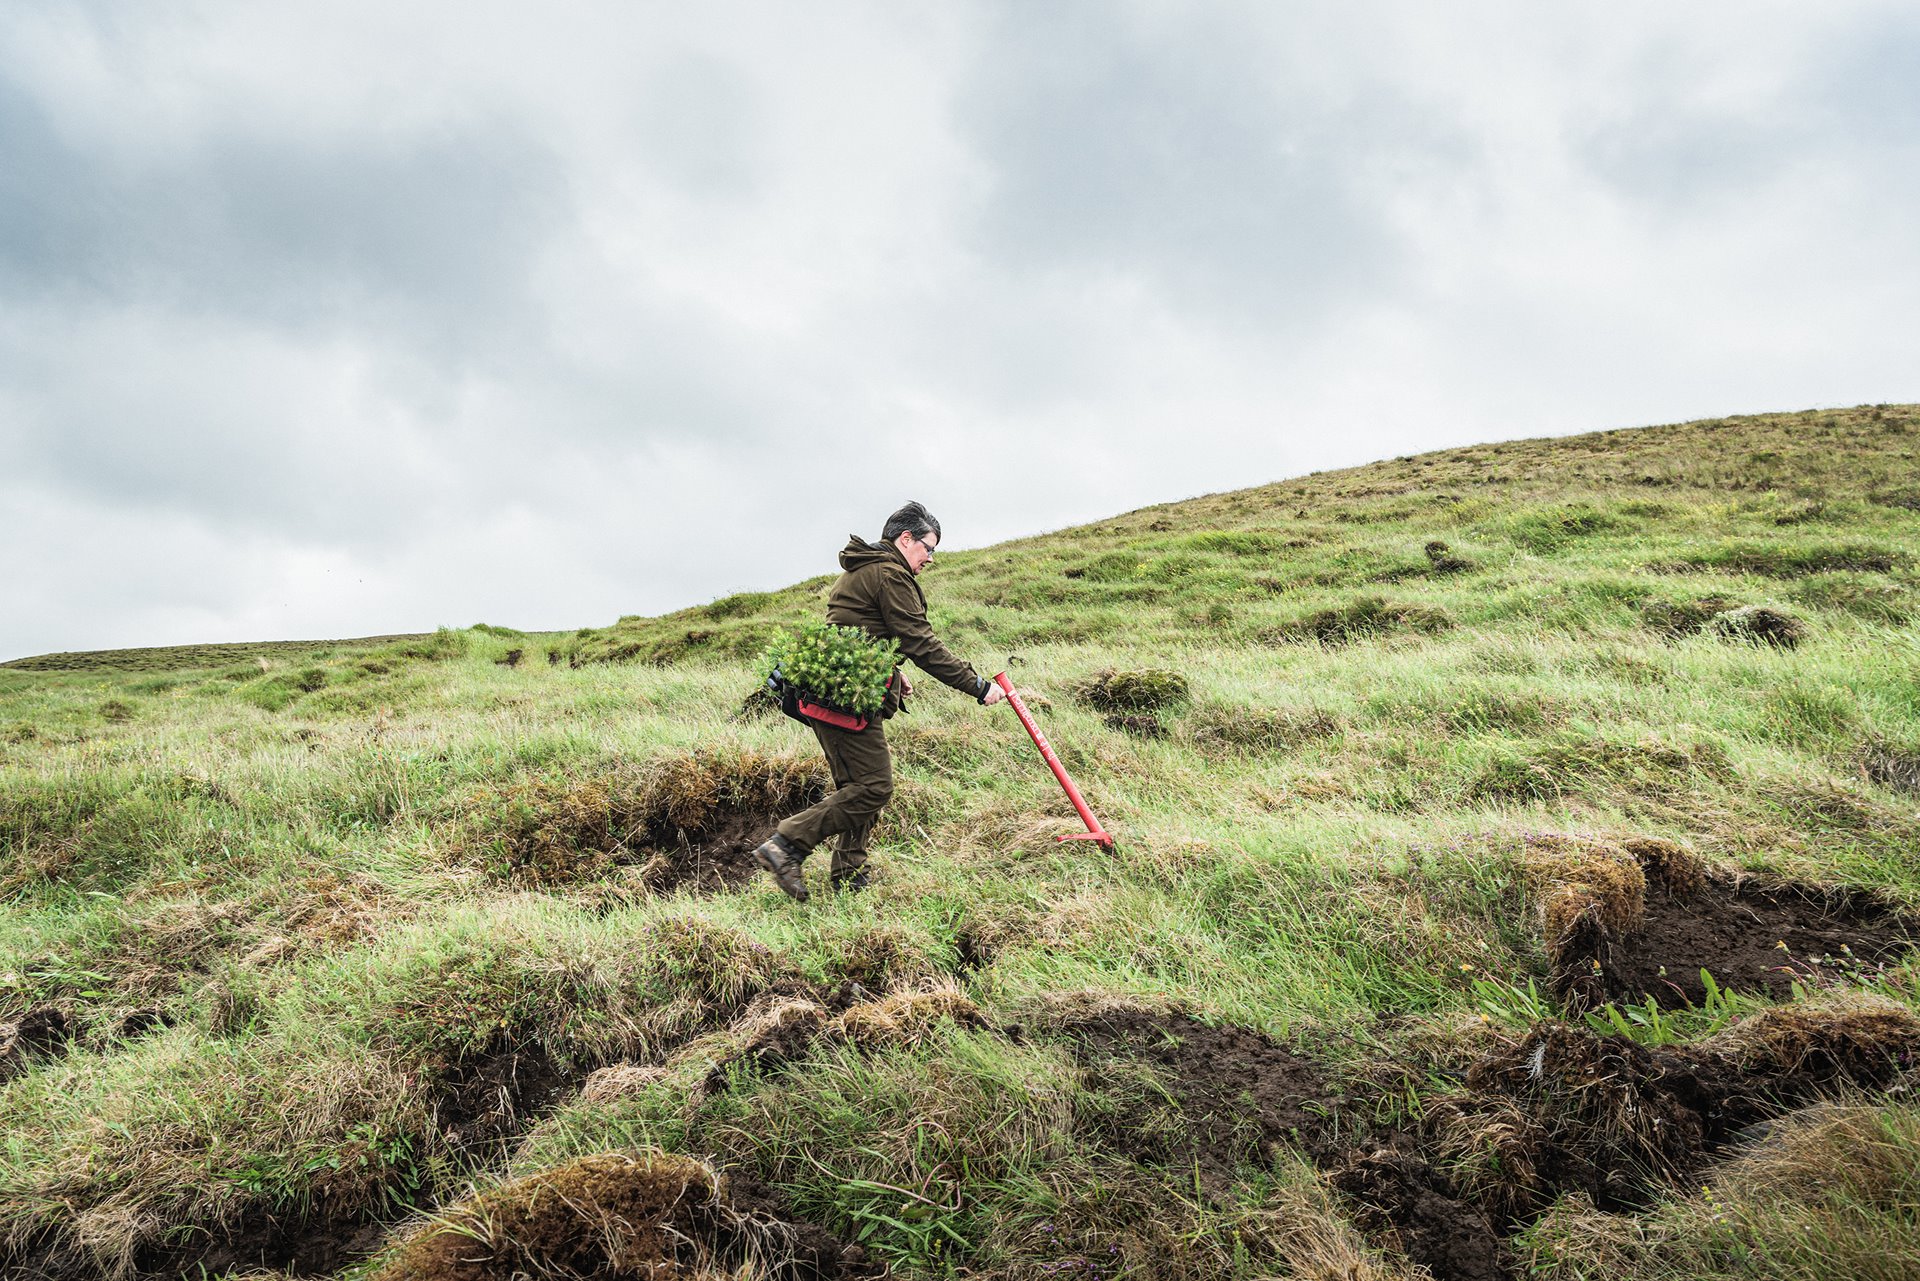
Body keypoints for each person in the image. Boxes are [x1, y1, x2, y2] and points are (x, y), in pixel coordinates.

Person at [754, 501, 1008, 900]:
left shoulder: (864, 568)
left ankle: (849, 875)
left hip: (834, 691)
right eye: (929, 548)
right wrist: (977, 685)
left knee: (856, 785)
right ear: (906, 539)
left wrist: (892, 672)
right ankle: (786, 845)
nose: (930, 558)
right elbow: (921, 642)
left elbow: (854, 631)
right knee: (874, 787)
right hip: (843, 699)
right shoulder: (889, 574)